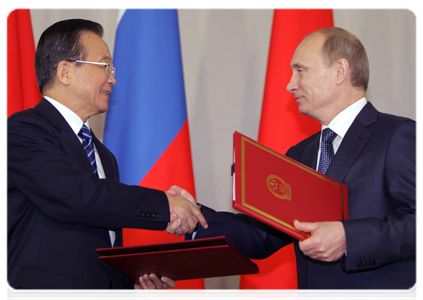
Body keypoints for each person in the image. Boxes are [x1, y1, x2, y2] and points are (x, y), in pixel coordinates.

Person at [174, 27, 420, 299]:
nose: (290, 84)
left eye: (301, 70)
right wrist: (194, 216)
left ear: (340, 71)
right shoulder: (300, 154)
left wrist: (349, 238)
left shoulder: (397, 135)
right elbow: (262, 234)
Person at [5, 19, 207, 300]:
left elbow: (100, 239)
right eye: (105, 67)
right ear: (65, 71)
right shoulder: (23, 130)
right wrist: (164, 204)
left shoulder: (104, 156)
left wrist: (131, 289)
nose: (113, 79)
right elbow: (77, 197)